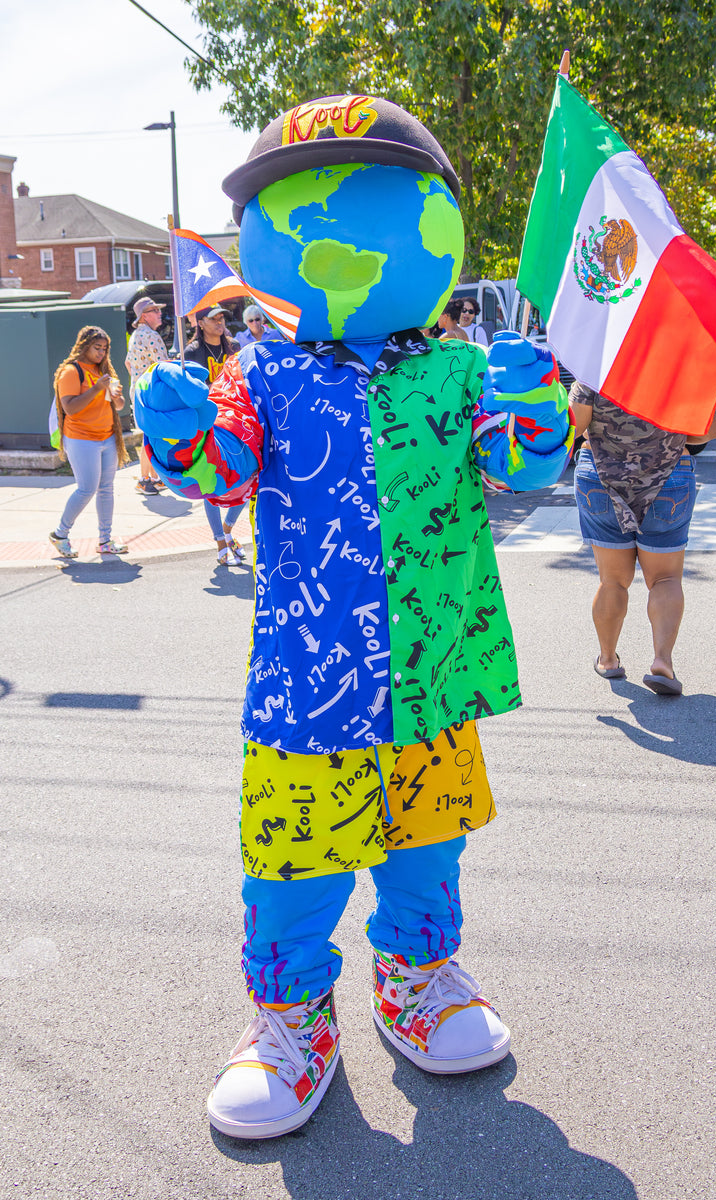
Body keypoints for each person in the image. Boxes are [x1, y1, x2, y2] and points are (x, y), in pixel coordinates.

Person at [135, 94, 574, 1141]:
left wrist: (536, 406)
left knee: (427, 844)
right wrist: (180, 430)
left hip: (431, 673)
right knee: (295, 860)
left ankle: (415, 978)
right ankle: (290, 1018)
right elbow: (220, 473)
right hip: (310, 681)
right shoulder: (262, 372)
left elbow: (523, 469)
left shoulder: (460, 369)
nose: (334, 229)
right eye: (299, 210)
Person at [570, 381, 716, 696]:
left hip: (600, 476)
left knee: (612, 580)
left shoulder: (594, 367)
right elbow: (707, 431)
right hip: (669, 475)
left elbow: (574, 427)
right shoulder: (681, 370)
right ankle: (662, 661)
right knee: (665, 579)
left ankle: (608, 660)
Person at [49, 325, 130, 558]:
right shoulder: (71, 372)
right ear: (84, 346)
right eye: (97, 348)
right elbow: (70, 408)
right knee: (86, 489)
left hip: (107, 437)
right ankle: (60, 534)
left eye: (104, 349)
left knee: (106, 489)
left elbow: (119, 405)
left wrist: (116, 396)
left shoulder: (103, 370)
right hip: (81, 439)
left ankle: (105, 540)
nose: (101, 353)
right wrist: (97, 388)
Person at [184, 306, 247, 565]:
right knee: (211, 482)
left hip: (237, 422)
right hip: (208, 425)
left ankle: (228, 528)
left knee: (247, 476)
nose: (220, 322)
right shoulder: (192, 353)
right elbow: (189, 392)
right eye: (214, 318)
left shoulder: (233, 347)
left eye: (222, 318)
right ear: (200, 323)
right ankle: (221, 542)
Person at [125, 297, 169, 495]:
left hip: (138, 390)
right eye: (155, 310)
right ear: (144, 316)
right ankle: (145, 480)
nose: (160, 313)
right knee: (151, 436)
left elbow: (128, 363)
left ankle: (154, 478)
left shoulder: (135, 335)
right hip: (152, 392)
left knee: (151, 435)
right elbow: (164, 367)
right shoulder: (151, 335)